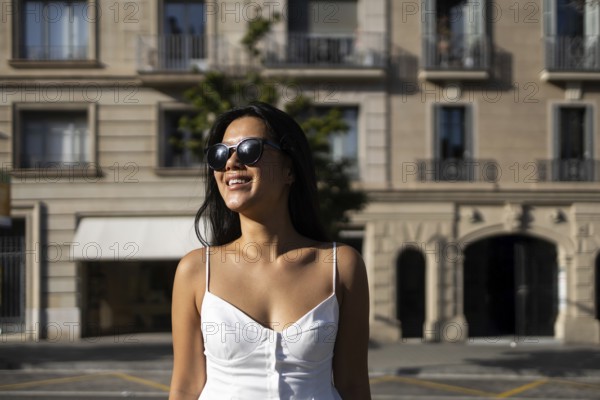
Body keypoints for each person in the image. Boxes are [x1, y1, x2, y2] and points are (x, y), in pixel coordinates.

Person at [168, 102, 371, 400]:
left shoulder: (341, 265)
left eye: (250, 149)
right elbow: (185, 388)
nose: (231, 163)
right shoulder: (196, 270)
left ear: (290, 169)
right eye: (220, 154)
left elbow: (353, 386)